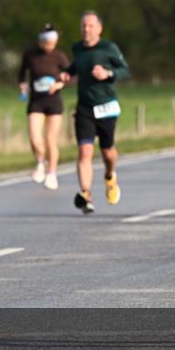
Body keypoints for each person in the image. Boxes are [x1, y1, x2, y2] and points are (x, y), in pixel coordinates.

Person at [59, 11, 130, 214]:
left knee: (107, 152)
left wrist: (107, 73)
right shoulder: (77, 48)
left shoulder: (109, 48)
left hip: (106, 105)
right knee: (84, 151)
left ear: (99, 29)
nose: (86, 29)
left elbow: (125, 70)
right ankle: (86, 194)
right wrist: (67, 73)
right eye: (83, 26)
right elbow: (76, 66)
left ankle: (110, 175)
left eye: (90, 26)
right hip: (85, 108)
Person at [18, 24, 70, 189]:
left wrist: (60, 85)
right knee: (34, 137)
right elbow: (21, 73)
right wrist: (22, 84)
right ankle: (41, 162)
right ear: (41, 42)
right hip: (36, 101)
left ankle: (52, 173)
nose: (50, 46)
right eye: (47, 43)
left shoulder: (59, 56)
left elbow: (71, 76)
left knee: (50, 139)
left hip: (53, 101)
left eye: (53, 43)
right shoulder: (30, 55)